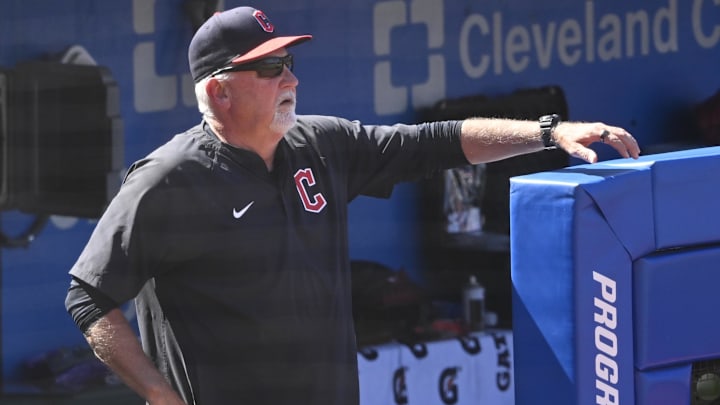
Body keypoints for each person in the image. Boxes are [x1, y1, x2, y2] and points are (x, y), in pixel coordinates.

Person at [64, 5, 640, 405]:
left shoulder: (321, 143)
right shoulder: (169, 179)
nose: (289, 76)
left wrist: (547, 132)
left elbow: (434, 143)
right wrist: (160, 395)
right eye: (269, 67)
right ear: (218, 89)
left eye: (289, 62)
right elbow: (88, 296)